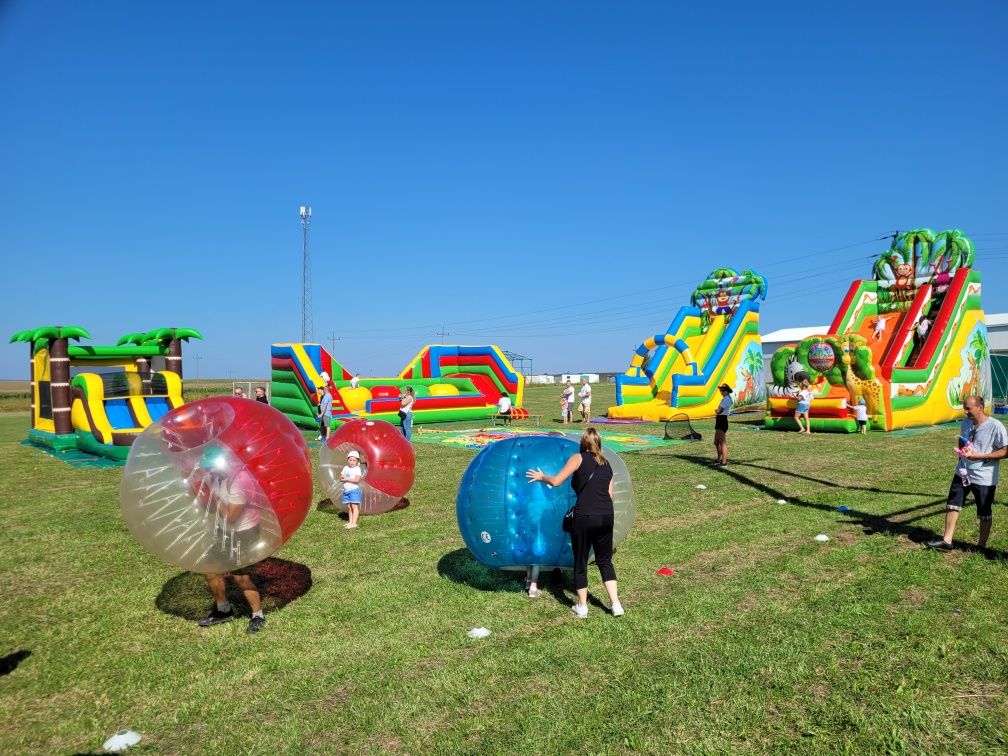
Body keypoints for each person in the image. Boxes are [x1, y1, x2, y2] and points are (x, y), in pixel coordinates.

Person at [525, 427, 623, 618]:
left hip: (585, 516)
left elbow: (557, 481)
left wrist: (541, 476)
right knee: (605, 561)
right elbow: (609, 495)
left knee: (580, 561)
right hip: (606, 516)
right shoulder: (607, 463)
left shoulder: (578, 458)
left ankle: (582, 606)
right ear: (599, 443)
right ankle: (616, 604)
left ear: (583, 442)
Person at [195, 457, 267, 635]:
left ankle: (258, 615)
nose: (209, 471)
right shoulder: (216, 476)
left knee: (240, 576)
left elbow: (231, 516)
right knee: (210, 569)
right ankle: (223, 610)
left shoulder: (240, 481)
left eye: (211, 467)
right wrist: (199, 490)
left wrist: (213, 492)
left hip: (244, 532)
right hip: (224, 531)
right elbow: (212, 509)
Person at [927, 396, 1008, 552]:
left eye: (968, 408)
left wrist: (980, 456)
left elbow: (1005, 451)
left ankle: (981, 546)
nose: (965, 412)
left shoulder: (995, 426)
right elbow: (963, 441)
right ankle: (947, 541)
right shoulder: (965, 423)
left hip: (984, 477)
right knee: (953, 503)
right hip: (963, 471)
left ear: (980, 407)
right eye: (964, 408)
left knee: (984, 511)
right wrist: (961, 453)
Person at [340, 449, 363, 529]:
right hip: (346, 491)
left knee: (354, 506)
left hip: (354, 490)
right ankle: (350, 522)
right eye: (350, 460)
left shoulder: (357, 469)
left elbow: (357, 480)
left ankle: (354, 523)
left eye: (354, 460)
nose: (352, 462)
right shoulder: (345, 468)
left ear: (357, 461)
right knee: (349, 507)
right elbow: (340, 477)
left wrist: (345, 479)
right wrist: (343, 478)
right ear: (348, 460)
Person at [712, 383, 732, 465]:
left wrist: (717, 411)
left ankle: (724, 461)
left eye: (723, 390)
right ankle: (719, 458)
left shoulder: (726, 399)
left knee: (722, 442)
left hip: (722, 420)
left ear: (727, 391)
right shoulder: (725, 398)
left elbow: (720, 410)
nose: (721, 392)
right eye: (720, 390)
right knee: (716, 442)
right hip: (720, 420)